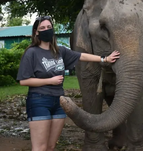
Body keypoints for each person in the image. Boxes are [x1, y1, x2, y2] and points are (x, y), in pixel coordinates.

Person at [16, 16, 120, 151]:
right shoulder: (32, 52)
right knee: (40, 148)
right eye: (42, 28)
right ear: (36, 32)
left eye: (49, 27)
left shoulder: (59, 51)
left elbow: (81, 56)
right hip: (39, 101)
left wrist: (104, 59)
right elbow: (23, 81)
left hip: (59, 102)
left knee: (51, 146)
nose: (46, 30)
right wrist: (50, 81)